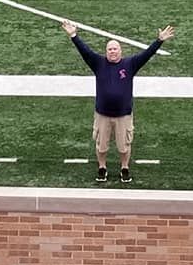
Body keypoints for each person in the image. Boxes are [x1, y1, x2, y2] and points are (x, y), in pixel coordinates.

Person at [62, 20, 173, 184]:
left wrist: (159, 40)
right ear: (106, 51)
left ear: (120, 51)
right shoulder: (98, 63)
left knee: (124, 146)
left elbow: (147, 54)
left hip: (123, 115)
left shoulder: (130, 64)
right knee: (101, 145)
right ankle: (102, 167)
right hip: (102, 114)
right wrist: (73, 35)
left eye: (115, 49)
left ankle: (124, 168)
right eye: (109, 49)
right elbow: (84, 51)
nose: (112, 51)